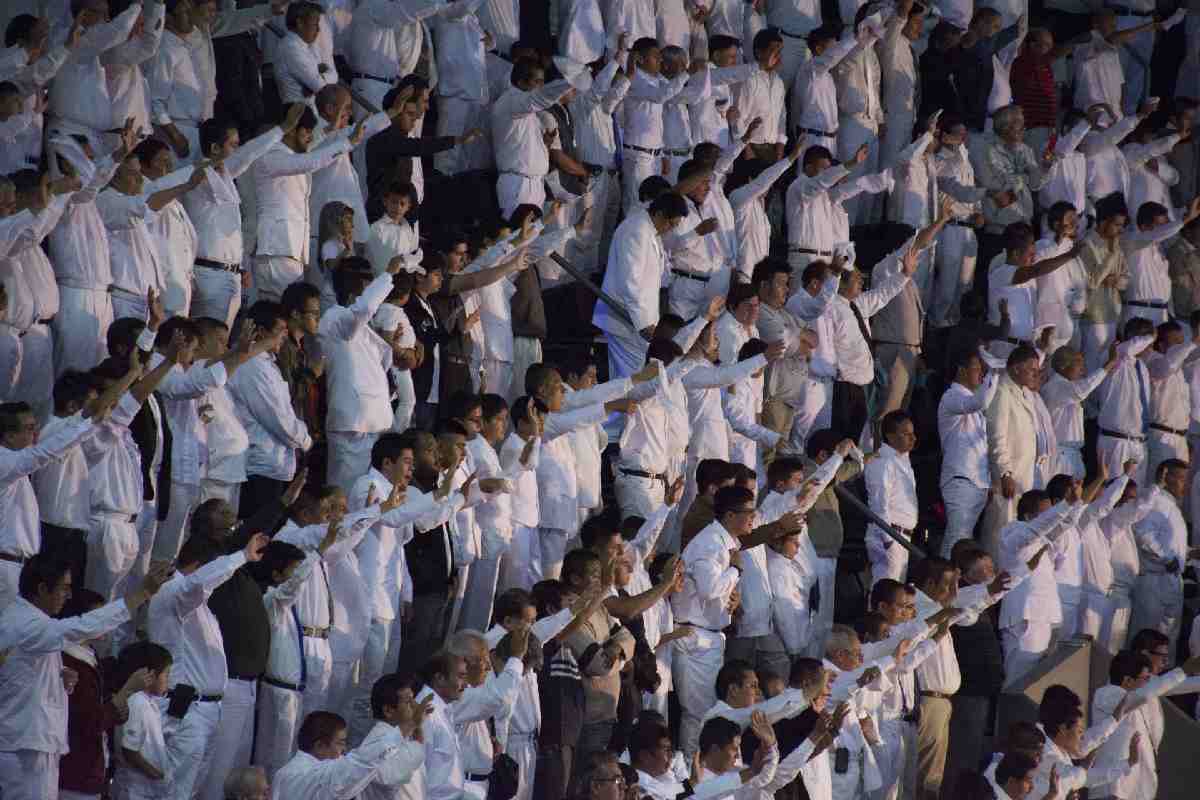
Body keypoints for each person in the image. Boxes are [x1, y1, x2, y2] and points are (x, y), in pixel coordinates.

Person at [0, 554, 172, 800]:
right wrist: (141, 594)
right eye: (64, 588)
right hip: (25, 748)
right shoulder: (26, 624)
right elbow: (82, 626)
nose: (68, 595)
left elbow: (19, 675)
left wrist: (58, 677)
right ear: (42, 589)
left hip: (32, 743)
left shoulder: (27, 621)